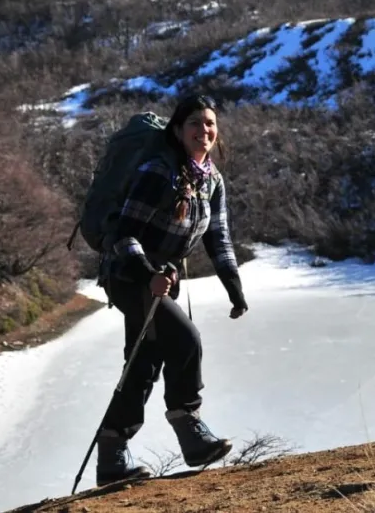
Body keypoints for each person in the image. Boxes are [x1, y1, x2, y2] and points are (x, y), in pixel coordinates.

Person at [95, 94, 249, 486]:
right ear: (178, 131)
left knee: (143, 363)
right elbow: (124, 233)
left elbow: (219, 237)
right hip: (128, 274)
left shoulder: (211, 180)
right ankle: (190, 429)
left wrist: (233, 287)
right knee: (185, 340)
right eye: (195, 123)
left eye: (210, 123)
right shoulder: (158, 172)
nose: (204, 130)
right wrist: (146, 273)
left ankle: (112, 457)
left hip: (161, 278)